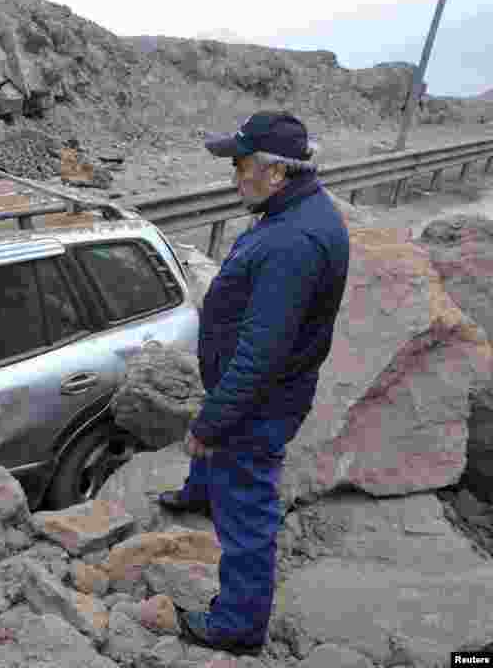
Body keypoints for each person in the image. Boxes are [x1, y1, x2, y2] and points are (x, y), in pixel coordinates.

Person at [157, 111, 350, 655]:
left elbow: (262, 356)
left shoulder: (295, 242)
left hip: (260, 402)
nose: (232, 175)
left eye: (239, 164)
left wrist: (210, 422)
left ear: (276, 172)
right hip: (254, 390)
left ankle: (237, 624)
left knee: (248, 506)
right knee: (223, 460)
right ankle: (200, 492)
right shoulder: (287, 211)